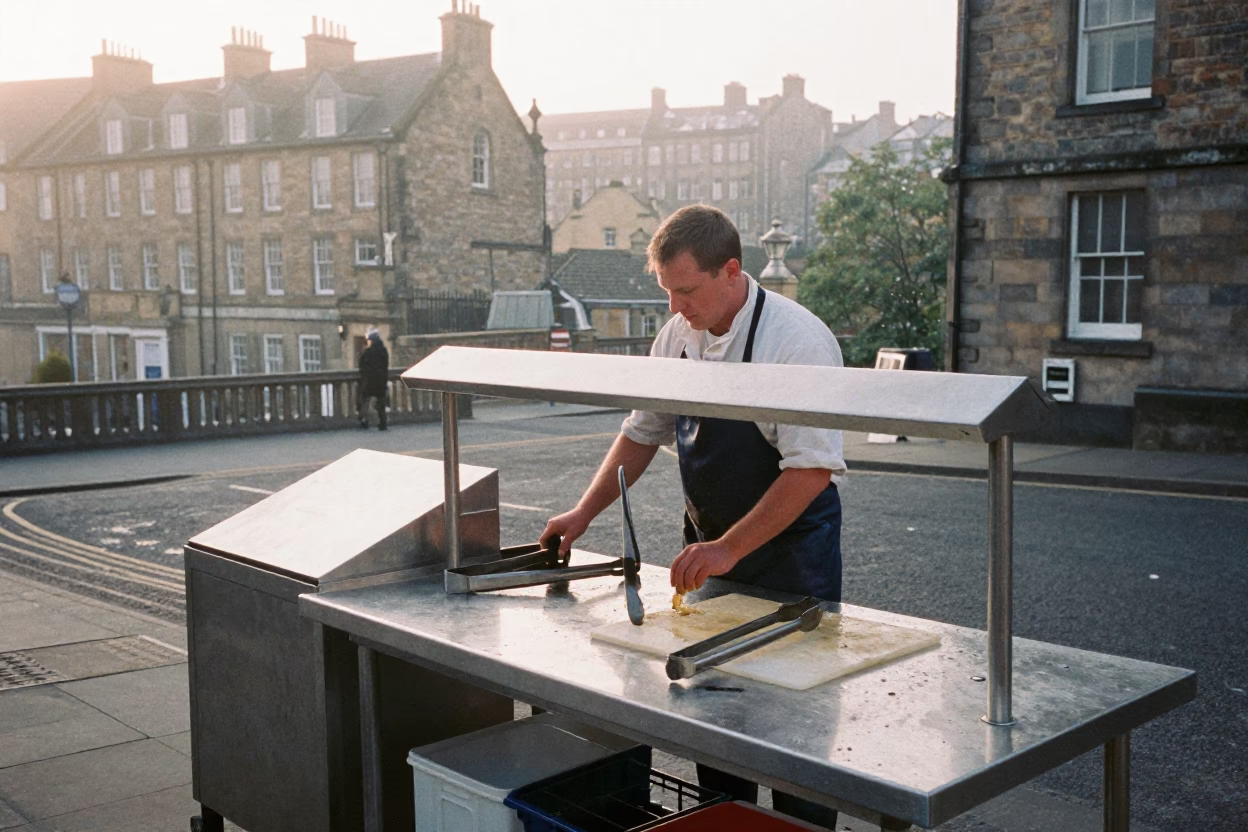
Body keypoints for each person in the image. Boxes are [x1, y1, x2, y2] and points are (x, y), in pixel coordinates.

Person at [541, 204, 846, 829]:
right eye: (667, 293)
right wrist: (582, 514)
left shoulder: (796, 341)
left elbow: (811, 471)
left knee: (796, 741)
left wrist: (729, 548)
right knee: (717, 729)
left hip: (793, 563)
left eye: (687, 291)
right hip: (710, 556)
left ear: (731, 271)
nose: (677, 308)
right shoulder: (677, 336)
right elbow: (642, 432)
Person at [357, 329, 389, 430]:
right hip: (381, 380)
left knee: (365, 401)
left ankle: (364, 421)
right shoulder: (383, 350)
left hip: (369, 380)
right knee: (381, 403)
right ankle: (382, 422)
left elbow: (362, 366)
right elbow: (385, 365)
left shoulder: (367, 352)